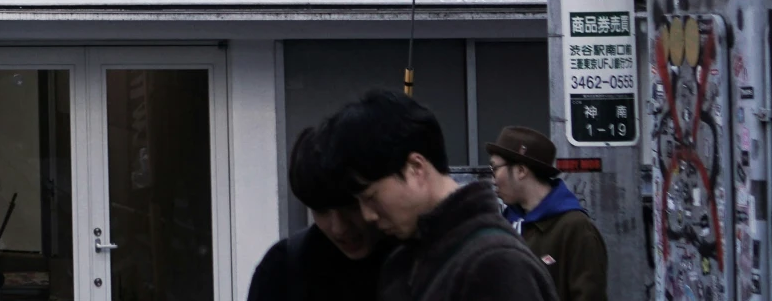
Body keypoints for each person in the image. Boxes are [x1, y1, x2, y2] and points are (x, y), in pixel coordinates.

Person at [329, 89, 558, 301]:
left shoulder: (496, 266)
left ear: (415, 168)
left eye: (371, 197)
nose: (368, 215)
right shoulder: (404, 259)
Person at [248, 120, 392, 301]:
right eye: (321, 210)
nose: (340, 228)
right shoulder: (283, 267)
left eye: (351, 207)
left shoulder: (418, 259)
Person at [488, 125, 607, 301]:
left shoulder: (576, 229)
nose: (493, 180)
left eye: (495, 169)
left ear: (521, 171)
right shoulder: (504, 224)